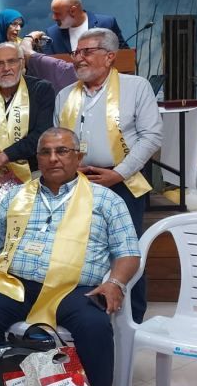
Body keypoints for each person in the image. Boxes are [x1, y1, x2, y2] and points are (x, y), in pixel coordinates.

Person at [0, 128, 140, 386]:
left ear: (78, 157)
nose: (53, 158)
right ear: (37, 159)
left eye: (62, 151)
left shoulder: (106, 200)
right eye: (45, 152)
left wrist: (116, 283)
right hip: (19, 284)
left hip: (74, 289)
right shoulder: (18, 195)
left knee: (94, 326)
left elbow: (128, 251)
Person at [54, 28, 162, 322]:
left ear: (110, 56)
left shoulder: (135, 87)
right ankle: (86, 317)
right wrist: (68, 168)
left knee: (126, 251)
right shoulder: (65, 95)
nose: (79, 58)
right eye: (76, 52)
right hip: (78, 183)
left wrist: (120, 173)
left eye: (87, 52)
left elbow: (152, 136)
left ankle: (133, 320)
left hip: (123, 182)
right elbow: (57, 139)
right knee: (80, 249)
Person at [0, 43, 54, 192]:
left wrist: (2, 158)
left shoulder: (41, 89)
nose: (6, 68)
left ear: (22, 63)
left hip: (31, 169)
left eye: (12, 61)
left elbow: (41, 135)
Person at [42, 0, 128, 55]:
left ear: (73, 11)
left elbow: (126, 55)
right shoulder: (52, 34)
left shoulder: (107, 24)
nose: (54, 18)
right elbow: (47, 66)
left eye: (58, 14)